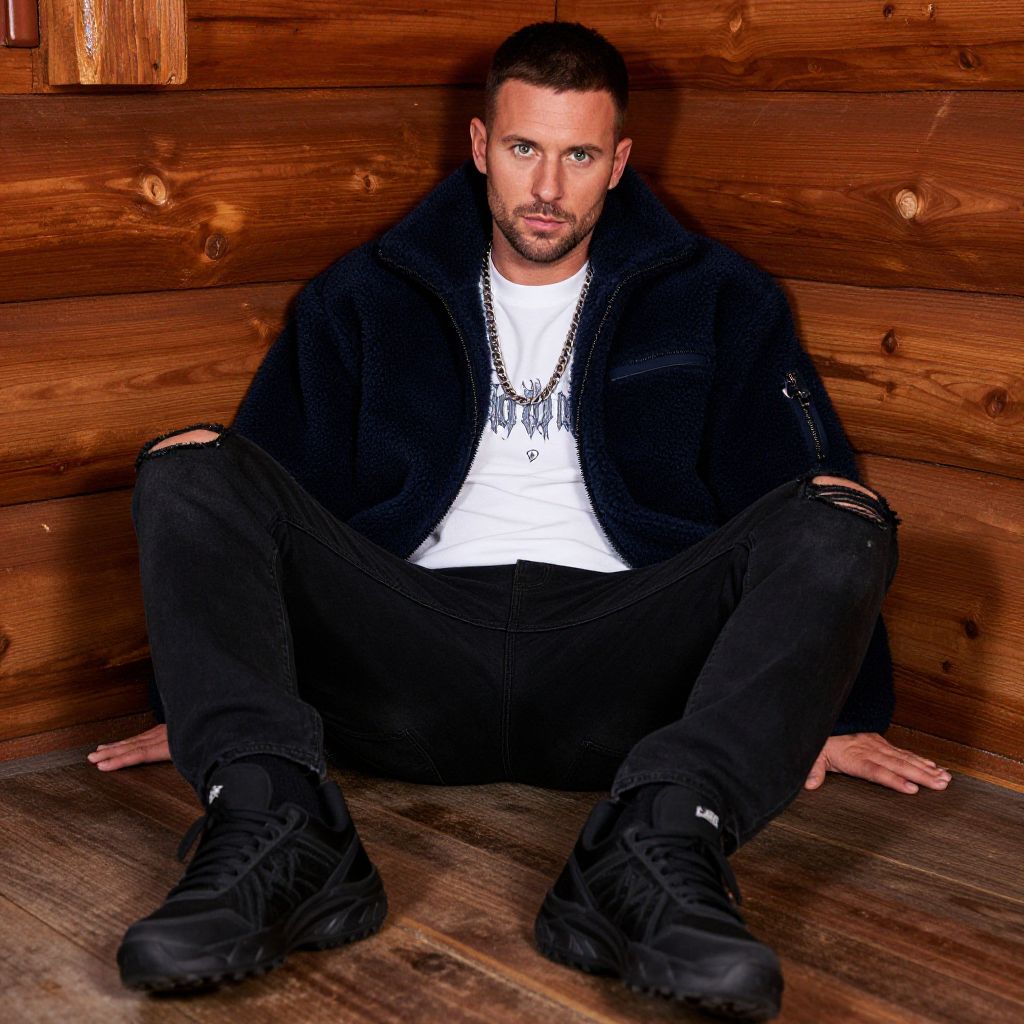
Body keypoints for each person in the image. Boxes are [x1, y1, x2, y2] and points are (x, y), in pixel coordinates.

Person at [89, 21, 951, 1021]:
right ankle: (273, 821)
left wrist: (830, 709)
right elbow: (269, 485)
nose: (547, 186)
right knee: (188, 463)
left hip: (624, 664)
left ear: (618, 163)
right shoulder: (363, 297)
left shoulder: (721, 301)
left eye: (578, 154)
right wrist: (206, 703)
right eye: (524, 148)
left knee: (844, 514)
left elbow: (806, 488)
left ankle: (663, 838)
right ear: (478, 146)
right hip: (407, 651)